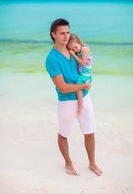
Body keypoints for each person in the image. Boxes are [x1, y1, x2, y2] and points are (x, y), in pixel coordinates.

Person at [45, 18, 102, 176]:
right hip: (67, 101)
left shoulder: (74, 50)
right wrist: (83, 86)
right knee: (64, 133)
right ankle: (68, 163)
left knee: (90, 130)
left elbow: (86, 64)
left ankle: (92, 163)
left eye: (68, 32)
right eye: (62, 33)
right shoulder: (51, 59)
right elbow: (62, 87)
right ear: (53, 34)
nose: (66, 36)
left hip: (85, 97)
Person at [67, 33, 93, 115]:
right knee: (80, 89)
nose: (75, 50)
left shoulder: (85, 49)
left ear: (79, 42)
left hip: (85, 76)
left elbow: (83, 63)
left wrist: (74, 55)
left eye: (75, 47)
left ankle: (80, 106)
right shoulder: (79, 50)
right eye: (73, 49)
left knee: (78, 88)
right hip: (83, 75)